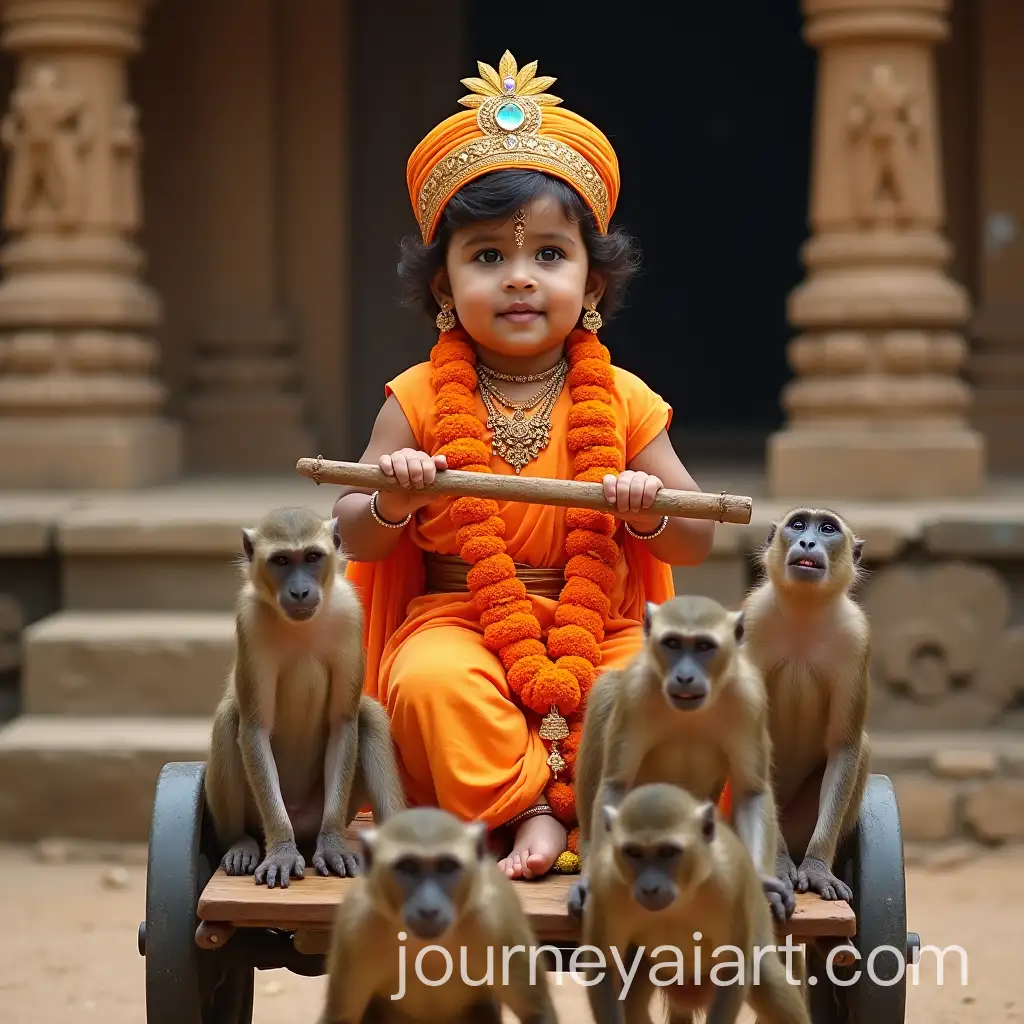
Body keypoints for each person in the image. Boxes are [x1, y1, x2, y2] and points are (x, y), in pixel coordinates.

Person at [333, 50, 715, 880]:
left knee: (656, 688)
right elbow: (354, 541)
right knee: (433, 684)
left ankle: (615, 822)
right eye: (485, 258)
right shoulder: (415, 397)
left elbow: (692, 540)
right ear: (444, 286)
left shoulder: (622, 398)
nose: (518, 279)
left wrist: (647, 511)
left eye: (549, 255)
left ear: (593, 285)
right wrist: (392, 503)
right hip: (460, 616)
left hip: (600, 623)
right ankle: (525, 812)